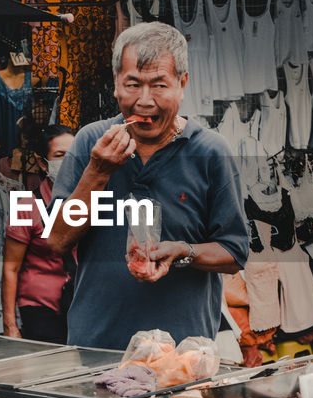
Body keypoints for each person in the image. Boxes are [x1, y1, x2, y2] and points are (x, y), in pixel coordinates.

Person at [47, 22, 248, 350]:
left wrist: (184, 251)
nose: (144, 100)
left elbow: (234, 252)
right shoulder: (89, 143)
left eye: (159, 85)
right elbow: (56, 240)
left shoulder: (210, 152)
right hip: (96, 347)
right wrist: (97, 173)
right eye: (133, 84)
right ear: (115, 84)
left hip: (182, 353)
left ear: (182, 84)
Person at [3, 125, 75, 342]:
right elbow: (10, 267)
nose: (68, 162)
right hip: (40, 309)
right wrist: (10, 325)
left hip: (78, 306)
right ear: (43, 162)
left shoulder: (89, 200)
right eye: (60, 156)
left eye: (73, 156)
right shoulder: (26, 204)